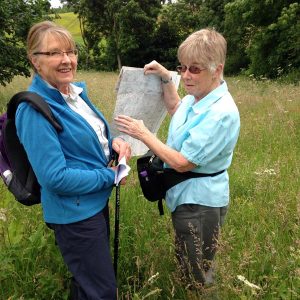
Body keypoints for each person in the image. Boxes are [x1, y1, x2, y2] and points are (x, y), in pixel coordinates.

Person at [115, 28, 240, 287]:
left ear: (217, 69)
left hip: (200, 204)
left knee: (198, 274)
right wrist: (165, 79)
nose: (185, 75)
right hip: (186, 197)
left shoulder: (220, 113)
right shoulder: (199, 98)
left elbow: (183, 163)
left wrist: (143, 133)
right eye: (181, 68)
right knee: (188, 260)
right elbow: (175, 107)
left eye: (194, 69)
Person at [16, 21, 131, 299]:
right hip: (75, 216)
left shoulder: (74, 94)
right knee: (102, 292)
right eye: (54, 53)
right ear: (35, 61)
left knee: (87, 285)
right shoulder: (34, 110)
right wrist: (111, 175)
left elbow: (89, 138)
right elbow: (55, 177)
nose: (66, 60)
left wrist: (113, 143)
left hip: (92, 203)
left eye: (70, 51)